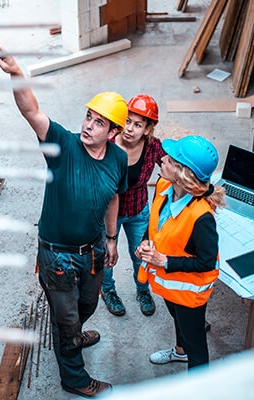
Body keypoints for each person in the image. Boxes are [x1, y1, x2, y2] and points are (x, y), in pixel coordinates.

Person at [0, 41, 128, 398]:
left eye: (99, 123)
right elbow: (32, 112)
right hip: (58, 256)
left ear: (113, 133)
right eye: (88, 117)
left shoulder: (117, 159)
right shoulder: (63, 145)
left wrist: (112, 239)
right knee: (66, 319)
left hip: (94, 250)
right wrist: (18, 74)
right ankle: (75, 378)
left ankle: (72, 336)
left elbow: (114, 196)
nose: (89, 126)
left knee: (88, 305)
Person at [134, 135, 225, 370]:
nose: (162, 159)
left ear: (183, 174)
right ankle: (179, 352)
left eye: (171, 160)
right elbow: (156, 223)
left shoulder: (202, 217)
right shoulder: (164, 186)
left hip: (189, 293)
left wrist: (165, 261)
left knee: (196, 344)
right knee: (177, 320)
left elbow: (207, 263)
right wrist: (145, 242)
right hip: (170, 284)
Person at [101, 94, 167, 317]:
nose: (129, 128)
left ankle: (143, 290)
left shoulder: (152, 148)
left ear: (148, 129)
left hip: (138, 211)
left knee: (140, 255)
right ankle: (108, 290)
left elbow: (172, 166)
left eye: (138, 124)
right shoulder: (108, 145)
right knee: (107, 256)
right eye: (127, 121)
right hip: (109, 215)